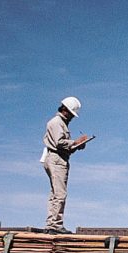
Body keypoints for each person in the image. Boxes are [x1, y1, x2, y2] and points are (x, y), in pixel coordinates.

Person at [41, 96, 90, 234]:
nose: (72, 118)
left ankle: (52, 223)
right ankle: (54, 225)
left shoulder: (60, 123)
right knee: (60, 194)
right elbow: (59, 143)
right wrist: (75, 142)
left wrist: (76, 146)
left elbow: (62, 145)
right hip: (56, 160)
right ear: (66, 110)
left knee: (55, 193)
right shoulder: (57, 122)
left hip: (57, 158)